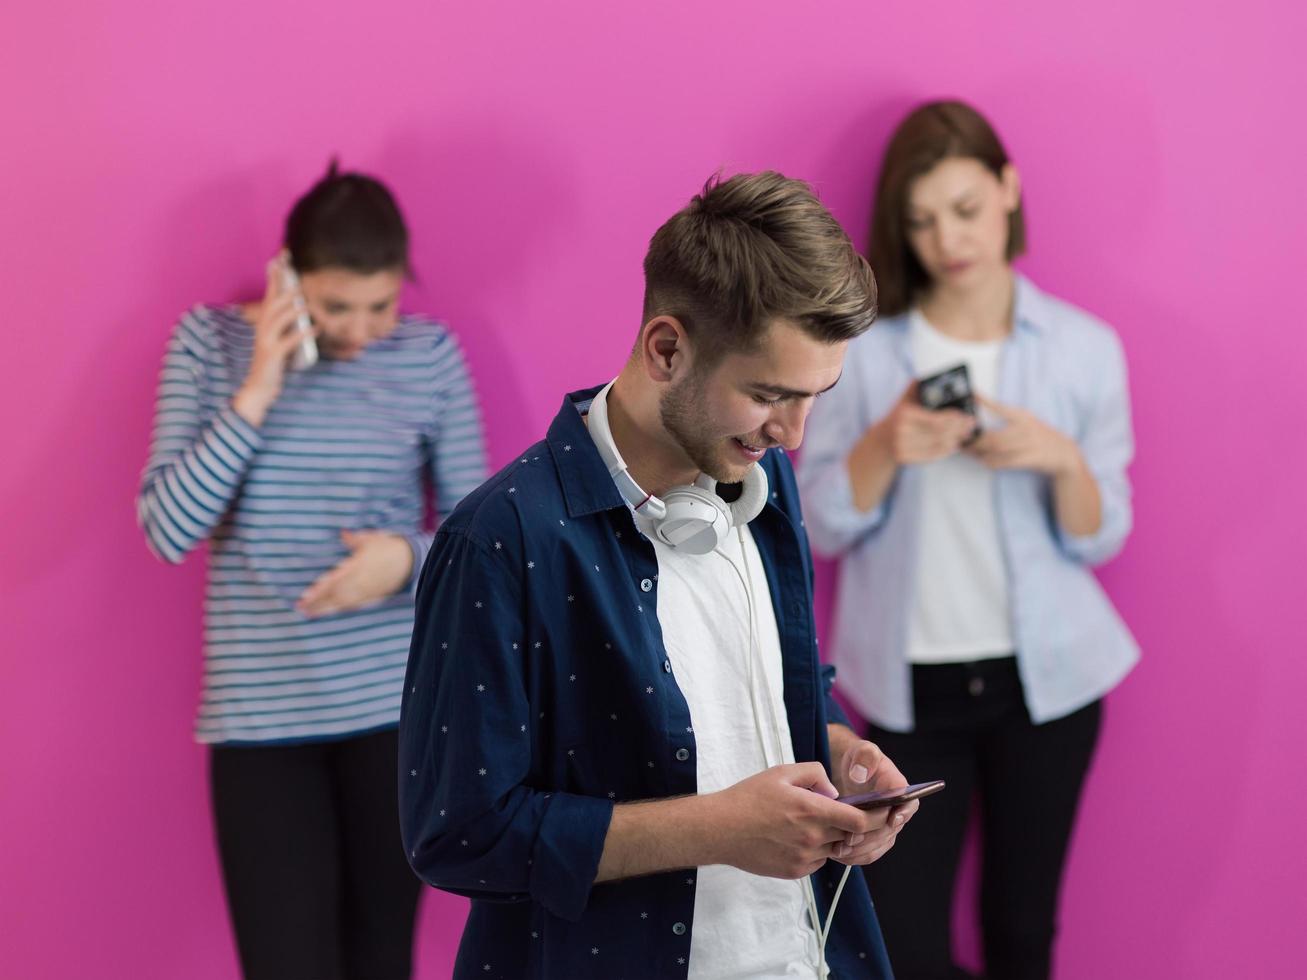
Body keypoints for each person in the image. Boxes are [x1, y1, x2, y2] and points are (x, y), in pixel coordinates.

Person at [400, 171, 924, 979]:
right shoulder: (498, 540)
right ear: (668, 349)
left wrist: (844, 754)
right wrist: (716, 829)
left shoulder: (759, 482)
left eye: (816, 395)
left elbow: (781, 686)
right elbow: (461, 835)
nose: (792, 433)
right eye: (768, 394)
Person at [797, 100, 1139, 980]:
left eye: (964, 208)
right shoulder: (863, 357)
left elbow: (1100, 537)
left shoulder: (1080, 348)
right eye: (919, 221)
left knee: (1022, 935)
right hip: (912, 691)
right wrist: (883, 446)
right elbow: (819, 526)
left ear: (1007, 191)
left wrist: (1061, 461)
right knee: (904, 947)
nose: (947, 238)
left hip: (1050, 682)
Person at [137, 163, 487, 980]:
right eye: (337, 307)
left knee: (379, 961)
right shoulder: (209, 345)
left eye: (381, 305)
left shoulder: (428, 356)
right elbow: (166, 530)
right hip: (260, 724)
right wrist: (261, 384)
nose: (362, 330)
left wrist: (402, 559)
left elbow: (484, 545)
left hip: (397, 714)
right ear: (289, 280)